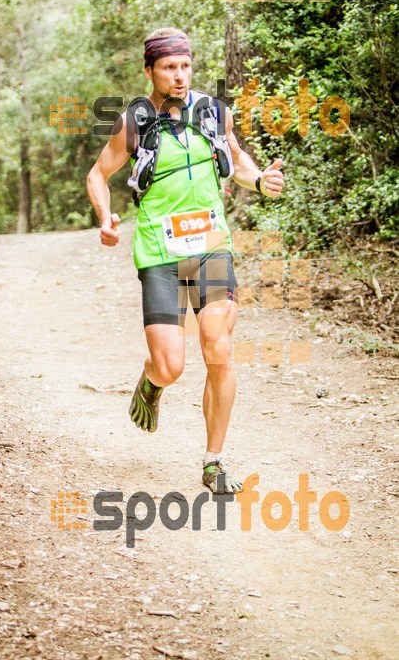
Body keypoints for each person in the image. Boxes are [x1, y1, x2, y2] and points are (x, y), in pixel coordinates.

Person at [86, 27, 284, 493]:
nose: (179, 76)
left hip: (212, 245)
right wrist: (105, 217)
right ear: (150, 71)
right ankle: (152, 383)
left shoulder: (214, 113)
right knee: (171, 364)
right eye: (169, 68)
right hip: (159, 251)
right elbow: (99, 173)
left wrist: (259, 181)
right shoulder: (133, 122)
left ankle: (214, 461)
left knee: (218, 347)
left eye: (185, 66)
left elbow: (235, 159)